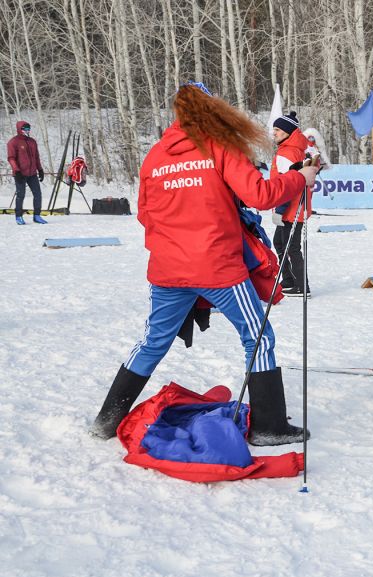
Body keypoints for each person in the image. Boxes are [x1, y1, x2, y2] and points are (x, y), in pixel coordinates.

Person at [89, 81, 320, 446]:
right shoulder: (219, 146)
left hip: (167, 269)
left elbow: (145, 215)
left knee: (152, 341)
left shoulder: (156, 155)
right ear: (214, 110)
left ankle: (106, 420)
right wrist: (300, 177)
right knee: (258, 337)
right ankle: (269, 426)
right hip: (217, 267)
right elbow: (260, 195)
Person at [270, 111, 314, 297]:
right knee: (280, 242)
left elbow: (287, 184)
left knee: (291, 247)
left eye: (277, 129)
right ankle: (288, 279)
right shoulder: (295, 149)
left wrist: (279, 210)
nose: (274, 133)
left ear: (288, 131)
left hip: (291, 208)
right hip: (293, 207)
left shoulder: (287, 152)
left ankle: (301, 286)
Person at [6, 121, 47, 225]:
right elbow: (11, 158)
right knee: (21, 195)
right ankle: (18, 216)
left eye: (29, 129)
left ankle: (37, 216)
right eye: (25, 129)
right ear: (20, 129)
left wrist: (40, 169)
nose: (27, 131)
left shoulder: (32, 141)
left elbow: (36, 157)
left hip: (32, 173)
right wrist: (16, 171)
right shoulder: (13, 142)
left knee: (38, 194)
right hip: (20, 173)